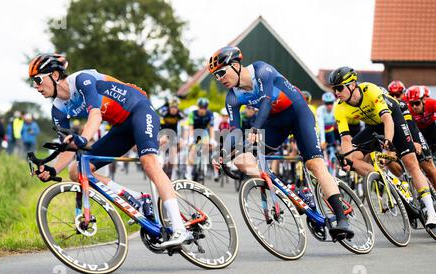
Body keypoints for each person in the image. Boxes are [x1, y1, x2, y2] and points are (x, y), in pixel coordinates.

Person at [28, 53, 192, 248]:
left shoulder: (82, 80)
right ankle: (138, 199)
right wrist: (53, 169)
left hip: (139, 110)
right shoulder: (58, 109)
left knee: (149, 162)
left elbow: (95, 115)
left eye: (38, 80)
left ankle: (180, 228)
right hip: (121, 127)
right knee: (76, 171)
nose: (36, 87)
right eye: (33, 82)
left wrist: (83, 138)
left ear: (55, 75)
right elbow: (68, 147)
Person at [209, 46, 354, 239]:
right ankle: (291, 194)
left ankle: (340, 217)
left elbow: (267, 101)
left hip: (298, 113)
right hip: (275, 123)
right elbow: (234, 131)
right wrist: (222, 152)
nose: (219, 79)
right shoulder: (232, 97)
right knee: (241, 159)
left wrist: (255, 129)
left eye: (221, 73)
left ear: (235, 65)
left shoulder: (261, 70)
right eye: (215, 76)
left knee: (314, 164)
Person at [331, 67, 436, 228]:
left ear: (352, 85)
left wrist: (388, 140)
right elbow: (346, 138)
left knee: (411, 163)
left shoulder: (370, 90)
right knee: (351, 160)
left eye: (339, 88)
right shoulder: (339, 107)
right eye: (334, 89)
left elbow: (387, 119)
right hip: (373, 126)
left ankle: (431, 212)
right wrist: (346, 158)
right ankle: (387, 180)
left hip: (393, 118)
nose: (336, 93)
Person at [185, 97, 216, 180]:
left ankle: (204, 163)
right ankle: (188, 173)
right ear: (198, 107)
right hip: (194, 133)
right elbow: (190, 127)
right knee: (193, 150)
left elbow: (211, 128)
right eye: (201, 107)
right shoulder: (192, 114)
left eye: (204, 108)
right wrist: (191, 138)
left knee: (206, 144)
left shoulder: (210, 114)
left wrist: (212, 139)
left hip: (204, 132)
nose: (202, 110)